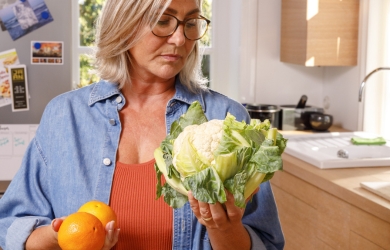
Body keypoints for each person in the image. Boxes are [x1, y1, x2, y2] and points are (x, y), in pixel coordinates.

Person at [0, 0, 285, 249]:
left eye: (191, 23)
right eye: (163, 21)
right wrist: (61, 238)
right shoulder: (64, 116)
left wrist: (223, 226)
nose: (180, 39)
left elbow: (266, 243)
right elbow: (11, 226)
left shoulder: (226, 119)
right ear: (123, 24)